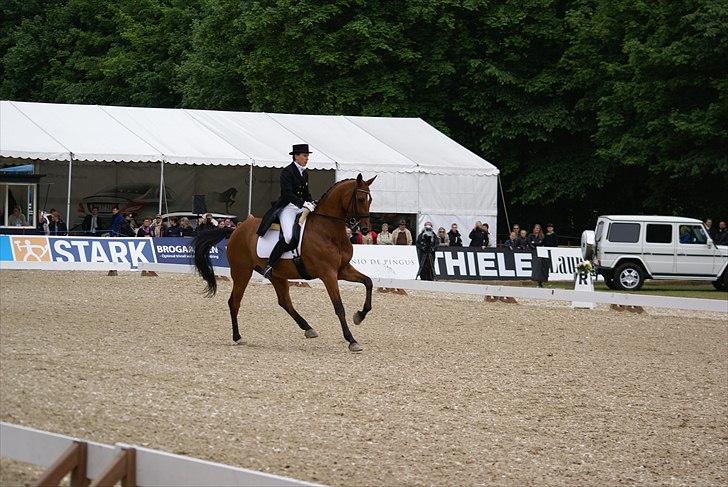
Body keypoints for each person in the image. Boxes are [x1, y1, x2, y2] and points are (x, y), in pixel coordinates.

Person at [257, 144, 317, 279]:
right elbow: (287, 194)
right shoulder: (287, 172)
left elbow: (306, 193)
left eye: (307, 156)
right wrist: (303, 203)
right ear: (296, 156)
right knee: (289, 236)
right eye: (305, 156)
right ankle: (269, 265)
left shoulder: (304, 172)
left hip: (301, 207)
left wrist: (312, 202)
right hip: (288, 207)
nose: (307, 159)